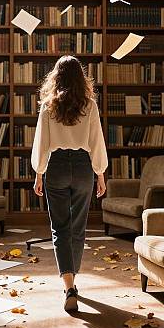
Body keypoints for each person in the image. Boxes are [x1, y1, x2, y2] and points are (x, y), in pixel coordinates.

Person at [31, 55, 108, 313]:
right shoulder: (90, 105)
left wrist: (39, 173)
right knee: (78, 227)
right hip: (84, 166)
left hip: (57, 166)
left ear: (56, 77)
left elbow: (41, 143)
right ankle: (73, 281)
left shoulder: (48, 106)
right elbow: (97, 141)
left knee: (59, 227)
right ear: (80, 78)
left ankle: (68, 285)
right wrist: (100, 173)